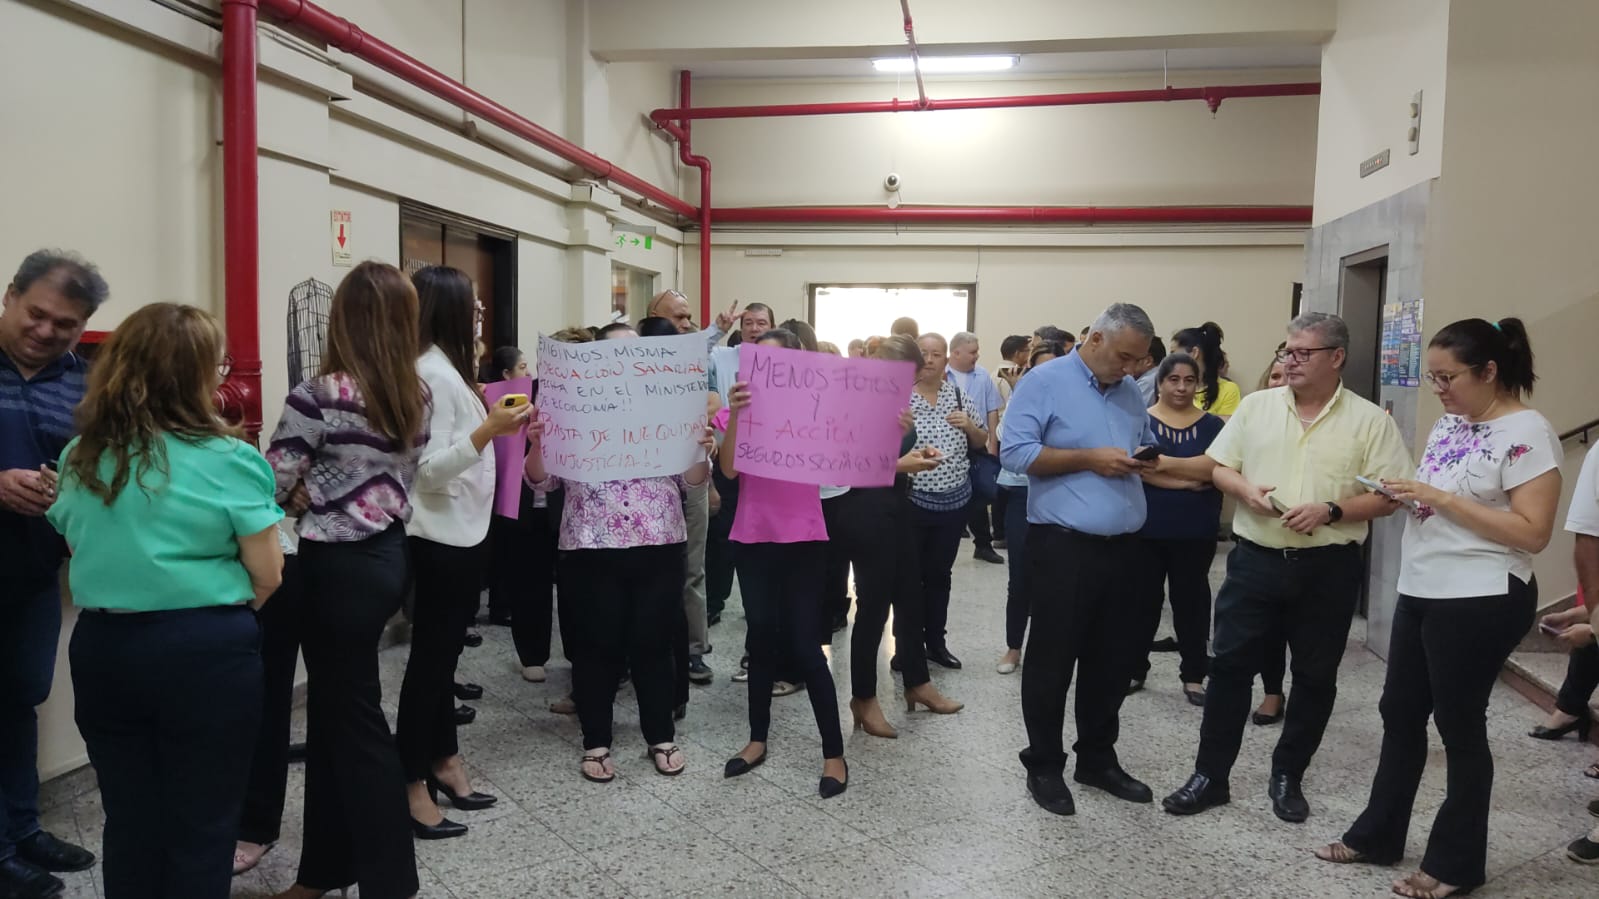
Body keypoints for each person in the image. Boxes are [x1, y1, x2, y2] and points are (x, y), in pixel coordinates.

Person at [1315, 318, 1561, 899]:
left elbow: (1532, 533)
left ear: (1489, 371)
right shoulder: (1453, 423)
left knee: (1460, 726)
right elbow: (1441, 502)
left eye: (1448, 377)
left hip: (1481, 595)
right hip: (1425, 585)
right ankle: (1378, 834)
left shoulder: (1528, 431)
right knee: (1399, 712)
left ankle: (1455, 864)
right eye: (1433, 377)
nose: (1440, 389)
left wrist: (1440, 499)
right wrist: (1408, 495)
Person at [46, 303, 283, 898]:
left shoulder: (81, 456)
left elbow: (75, 540)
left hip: (106, 648)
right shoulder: (231, 459)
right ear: (199, 374)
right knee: (204, 823)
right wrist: (211, 616)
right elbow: (268, 574)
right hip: (207, 649)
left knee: (130, 818)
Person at [1160, 312, 1413, 826]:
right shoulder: (1256, 408)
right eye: (1286, 351)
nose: (1289, 361)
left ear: (1336, 358)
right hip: (1255, 560)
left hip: (1328, 566)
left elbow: (1390, 497)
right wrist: (1244, 490)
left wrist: (1333, 510)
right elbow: (1220, 467)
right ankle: (1210, 776)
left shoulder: (1370, 421)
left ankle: (1288, 775)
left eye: (1302, 353)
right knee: (1229, 668)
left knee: (1315, 676)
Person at [265, 261, 426, 899]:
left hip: (332, 567)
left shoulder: (320, 392)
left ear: (343, 318)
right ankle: (323, 872)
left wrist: (305, 492)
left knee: (354, 725)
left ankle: (391, 883)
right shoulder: (418, 394)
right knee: (336, 722)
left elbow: (270, 483)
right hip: (387, 559)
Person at [525, 326, 713, 782]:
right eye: (614, 350)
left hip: (658, 541)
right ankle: (596, 742)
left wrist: (698, 446)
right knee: (595, 648)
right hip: (590, 544)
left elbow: (693, 482)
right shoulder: (572, 407)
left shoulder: (667, 404)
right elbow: (540, 482)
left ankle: (660, 736)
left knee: (653, 644)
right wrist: (536, 443)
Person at [1001, 304, 1162, 817]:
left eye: (1140, 361)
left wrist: (1143, 455)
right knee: (1052, 660)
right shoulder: (1044, 381)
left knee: (1111, 661)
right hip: (1063, 545)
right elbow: (1015, 453)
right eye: (1124, 357)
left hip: (1125, 548)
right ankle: (1044, 764)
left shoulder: (1131, 390)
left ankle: (1097, 758)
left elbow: (1137, 444)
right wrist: (1090, 457)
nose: (1133, 369)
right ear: (1093, 339)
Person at [397, 267, 529, 839]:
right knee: (429, 665)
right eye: (471, 307)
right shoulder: (430, 373)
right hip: (440, 539)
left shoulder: (450, 370)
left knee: (444, 662)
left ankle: (443, 760)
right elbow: (425, 471)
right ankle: (410, 784)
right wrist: (487, 432)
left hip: (464, 533)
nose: (479, 315)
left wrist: (504, 427)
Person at [0, 249, 106, 899]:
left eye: (63, 324)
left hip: (34, 573)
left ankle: (20, 827)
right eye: (35, 313)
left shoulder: (88, 385)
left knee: (19, 701)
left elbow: (98, 466)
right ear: (10, 296)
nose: (44, 330)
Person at [719, 328, 849, 798]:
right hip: (753, 537)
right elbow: (730, 469)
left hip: (804, 539)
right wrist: (735, 414)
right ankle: (757, 739)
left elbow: (847, 458)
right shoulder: (735, 408)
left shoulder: (815, 410)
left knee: (805, 645)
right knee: (761, 641)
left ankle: (833, 752)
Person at [829, 336, 963, 738]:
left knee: (910, 594)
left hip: (894, 505)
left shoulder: (894, 399)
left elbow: (892, 452)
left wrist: (907, 447)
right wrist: (901, 462)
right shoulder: (846, 395)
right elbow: (843, 461)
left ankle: (918, 683)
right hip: (860, 511)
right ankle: (863, 699)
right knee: (873, 607)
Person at [1127, 353, 1225, 704]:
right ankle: (1135, 668)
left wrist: (1166, 468)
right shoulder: (1141, 420)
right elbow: (1140, 471)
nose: (1181, 387)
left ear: (1198, 384)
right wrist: (1185, 482)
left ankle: (1194, 674)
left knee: (1192, 603)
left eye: (1189, 380)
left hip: (1195, 529)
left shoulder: (1213, 426)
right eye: (1173, 380)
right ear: (1160, 382)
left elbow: (1214, 470)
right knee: (1141, 603)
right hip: (1146, 527)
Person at [640, 300, 721, 687]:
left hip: (691, 481)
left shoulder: (694, 368)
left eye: (688, 319)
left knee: (691, 569)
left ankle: (693, 651)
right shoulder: (625, 375)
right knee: (649, 573)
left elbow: (711, 411)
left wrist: (712, 484)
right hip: (644, 491)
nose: (686, 324)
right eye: (679, 317)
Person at [908, 333, 987, 670]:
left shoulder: (958, 395)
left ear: (946, 360)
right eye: (923, 353)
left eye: (936, 354)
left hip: (954, 502)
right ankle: (907, 648)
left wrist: (969, 425)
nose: (929, 359)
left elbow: (983, 440)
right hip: (911, 502)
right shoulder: (899, 399)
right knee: (910, 579)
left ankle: (936, 644)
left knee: (940, 576)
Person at [995, 341, 1065, 675]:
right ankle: (1013, 647)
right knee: (1019, 575)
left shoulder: (1071, 402)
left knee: (1054, 578)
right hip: (1022, 492)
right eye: (1038, 367)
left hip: (1059, 491)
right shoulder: (1021, 399)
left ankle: (1049, 649)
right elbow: (1005, 440)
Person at [1248, 344, 1291, 726]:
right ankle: (1268, 690)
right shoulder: (1254, 415)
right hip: (1260, 543)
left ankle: (1282, 695)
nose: (1280, 383)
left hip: (1312, 547)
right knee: (1264, 631)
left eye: (1285, 376)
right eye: (1274, 376)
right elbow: (1223, 466)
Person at [946, 332, 1005, 565]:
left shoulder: (982, 376)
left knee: (979, 493)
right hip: (949, 445)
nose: (977, 356)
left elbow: (992, 410)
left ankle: (983, 544)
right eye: (973, 352)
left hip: (976, 441)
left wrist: (992, 443)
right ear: (956, 352)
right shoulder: (943, 375)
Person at [1170, 323, 1241, 419]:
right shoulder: (1172, 387)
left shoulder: (1228, 390)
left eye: (1173, 353)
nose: (1170, 359)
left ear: (1195, 353)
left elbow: (1226, 427)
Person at [1133, 335, 1168, 407]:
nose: (1128, 364)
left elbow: (1131, 410)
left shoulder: (1147, 381)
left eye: (1133, 358)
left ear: (1148, 361)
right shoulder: (1160, 375)